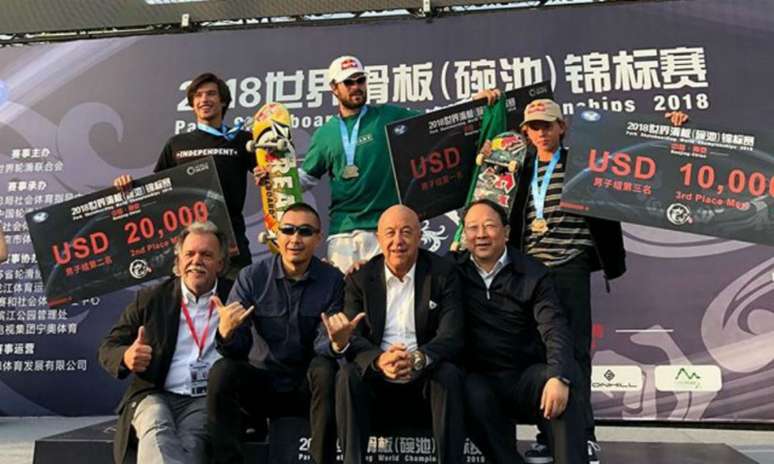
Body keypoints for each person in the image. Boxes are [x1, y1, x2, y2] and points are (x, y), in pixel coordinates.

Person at [295, 55, 500, 272]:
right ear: (334, 88)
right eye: (348, 82)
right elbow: (306, 179)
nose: (356, 87)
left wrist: (473, 103)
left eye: (360, 80)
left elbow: (435, 122)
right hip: (343, 232)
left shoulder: (387, 116)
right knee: (348, 299)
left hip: (387, 229)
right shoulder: (324, 134)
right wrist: (276, 179)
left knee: (391, 297)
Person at [326, 204, 465, 464]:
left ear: (420, 236)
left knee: (449, 374)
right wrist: (379, 360)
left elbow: (452, 335)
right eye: (389, 233)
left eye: (406, 232)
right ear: (378, 239)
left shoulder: (443, 274)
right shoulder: (360, 278)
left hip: (424, 376)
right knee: (347, 375)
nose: (397, 241)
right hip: (378, 378)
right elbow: (353, 337)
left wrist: (418, 359)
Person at [206, 202, 343, 464]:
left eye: (304, 231)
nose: (295, 239)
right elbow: (237, 348)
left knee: (325, 368)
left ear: (318, 238)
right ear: (276, 235)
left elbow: (324, 345)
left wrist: (336, 342)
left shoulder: (332, 280)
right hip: (262, 387)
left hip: (307, 389)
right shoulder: (251, 277)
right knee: (223, 370)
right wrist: (226, 333)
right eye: (288, 230)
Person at [454, 199, 586, 464]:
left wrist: (559, 376)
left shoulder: (534, 273)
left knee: (563, 382)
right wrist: (363, 270)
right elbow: (411, 268)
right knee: (466, 389)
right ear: (464, 234)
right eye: (472, 228)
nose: (480, 235)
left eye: (489, 226)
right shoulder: (450, 271)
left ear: (507, 231)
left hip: (525, 377)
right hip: (480, 379)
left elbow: (555, 328)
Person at [98, 221, 233, 464]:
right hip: (154, 393)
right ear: (179, 261)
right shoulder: (151, 298)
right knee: (155, 426)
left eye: (206, 255)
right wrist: (127, 356)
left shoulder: (234, 298)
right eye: (189, 254)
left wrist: (230, 334)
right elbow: (109, 346)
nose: (196, 261)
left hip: (204, 399)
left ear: (220, 264)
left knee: (192, 441)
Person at [114, 73, 256, 275]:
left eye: (211, 94)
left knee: (236, 302)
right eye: (198, 95)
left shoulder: (242, 140)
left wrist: (264, 174)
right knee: (187, 304)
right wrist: (127, 186)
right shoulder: (177, 144)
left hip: (231, 245)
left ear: (223, 101)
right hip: (188, 246)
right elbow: (156, 193)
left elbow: (268, 173)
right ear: (192, 103)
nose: (204, 100)